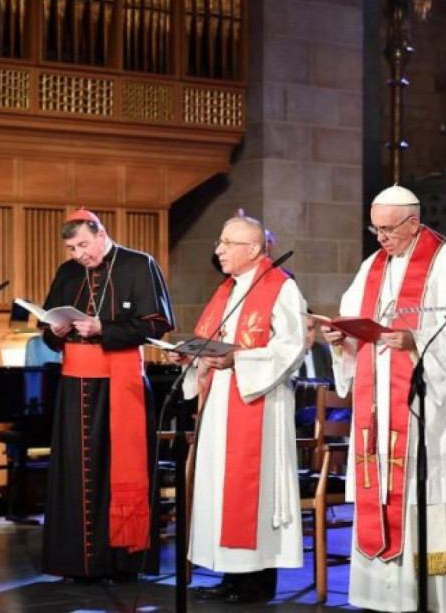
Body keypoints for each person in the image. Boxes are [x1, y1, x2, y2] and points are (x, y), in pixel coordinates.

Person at [326, 184, 446, 612]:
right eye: (375, 228)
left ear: (414, 223)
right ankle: (386, 603)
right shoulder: (372, 267)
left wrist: (416, 342)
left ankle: (441, 604)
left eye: (389, 229)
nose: (381, 238)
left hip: (433, 420)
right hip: (381, 420)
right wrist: (340, 338)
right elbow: (357, 324)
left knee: (435, 520)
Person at [172, 215, 307, 604]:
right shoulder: (228, 290)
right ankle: (230, 576)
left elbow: (292, 347)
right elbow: (214, 339)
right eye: (219, 242)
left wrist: (240, 362)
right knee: (220, 488)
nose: (218, 250)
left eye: (227, 243)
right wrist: (194, 357)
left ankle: (256, 583)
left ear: (252, 250)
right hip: (220, 402)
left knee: (251, 491)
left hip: (257, 402)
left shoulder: (280, 287)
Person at [40, 208, 174, 581]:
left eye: (83, 244)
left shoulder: (138, 264)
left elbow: (157, 322)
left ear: (100, 234)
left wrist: (104, 327)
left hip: (120, 382)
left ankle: (121, 562)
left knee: (115, 466)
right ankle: (75, 562)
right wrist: (57, 331)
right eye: (71, 248)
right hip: (73, 385)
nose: (78, 254)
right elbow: (47, 328)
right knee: (75, 472)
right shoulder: (68, 273)